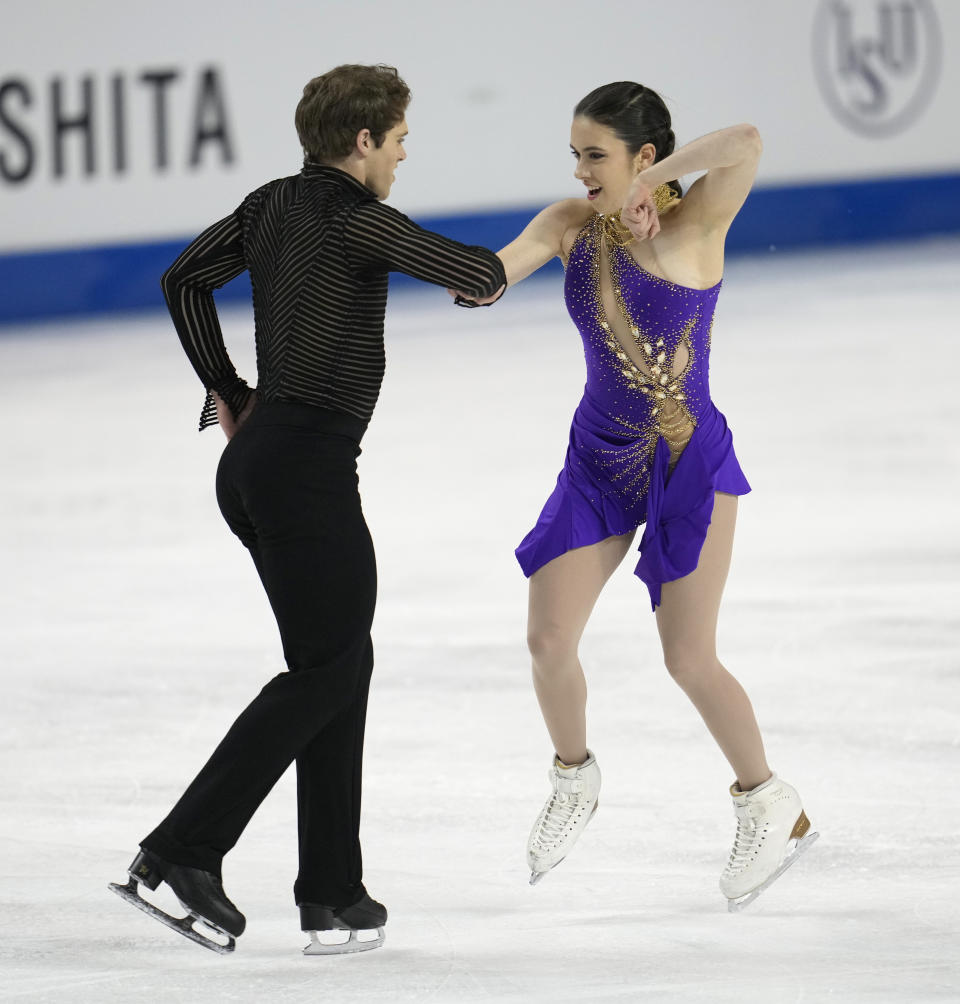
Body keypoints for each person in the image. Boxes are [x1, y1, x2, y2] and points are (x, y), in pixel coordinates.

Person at [109, 63, 506, 954]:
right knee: (326, 670)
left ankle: (332, 889)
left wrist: (228, 392)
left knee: (339, 661)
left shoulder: (269, 204)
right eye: (399, 141)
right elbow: (476, 272)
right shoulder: (361, 217)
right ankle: (181, 850)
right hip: (304, 468)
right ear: (363, 141)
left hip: (258, 463)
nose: (403, 157)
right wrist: (545, 239)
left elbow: (182, 281)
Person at [453, 81, 817, 910]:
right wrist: (466, 279)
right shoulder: (568, 226)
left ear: (642, 158)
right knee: (548, 640)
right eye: (575, 155)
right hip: (599, 461)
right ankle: (573, 777)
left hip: (688, 462)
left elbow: (748, 135)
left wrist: (657, 189)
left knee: (687, 657)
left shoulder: (697, 227)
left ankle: (768, 798)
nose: (581, 171)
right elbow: (495, 271)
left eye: (596, 156)